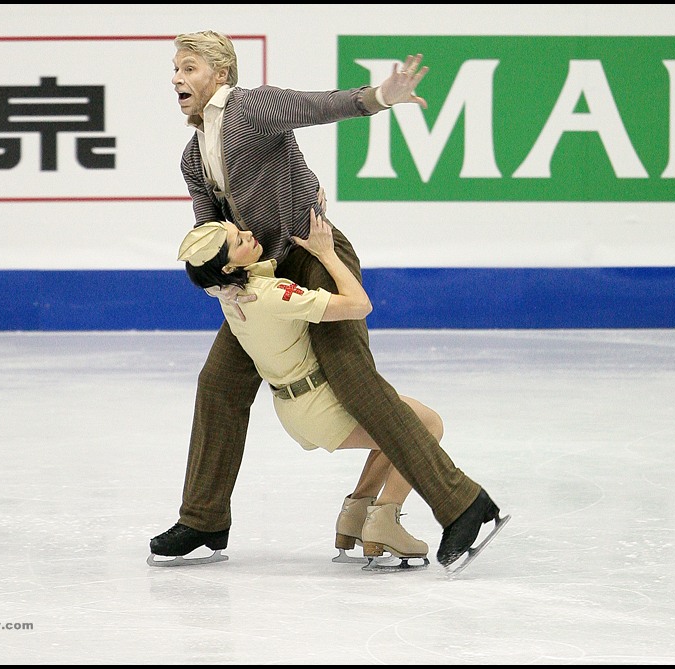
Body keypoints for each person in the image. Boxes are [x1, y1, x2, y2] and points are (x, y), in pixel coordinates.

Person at [150, 30, 506, 572]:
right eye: (175, 68)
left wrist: (380, 97)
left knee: (352, 377)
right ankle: (203, 517)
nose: (178, 76)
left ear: (220, 75)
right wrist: (218, 277)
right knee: (219, 383)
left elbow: (316, 106)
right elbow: (212, 227)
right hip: (262, 274)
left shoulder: (249, 106)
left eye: (190, 66)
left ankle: (461, 502)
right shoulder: (193, 157)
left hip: (315, 254)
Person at [154, 210, 436, 570]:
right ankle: (384, 522)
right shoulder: (270, 294)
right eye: (239, 241)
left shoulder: (230, 298)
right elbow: (359, 305)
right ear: (227, 269)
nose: (249, 232)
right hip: (320, 404)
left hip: (293, 406)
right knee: (426, 426)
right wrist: (326, 253)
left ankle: (356, 515)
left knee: (391, 432)